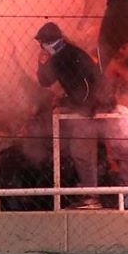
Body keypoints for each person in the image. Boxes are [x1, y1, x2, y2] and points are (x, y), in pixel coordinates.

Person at [34, 21, 104, 191]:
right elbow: (47, 81)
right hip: (90, 104)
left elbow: (84, 90)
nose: (42, 47)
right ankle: (91, 190)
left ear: (48, 42)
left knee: (82, 153)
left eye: (42, 43)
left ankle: (91, 193)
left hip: (90, 107)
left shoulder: (65, 56)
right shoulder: (65, 54)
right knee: (82, 152)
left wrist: (69, 101)